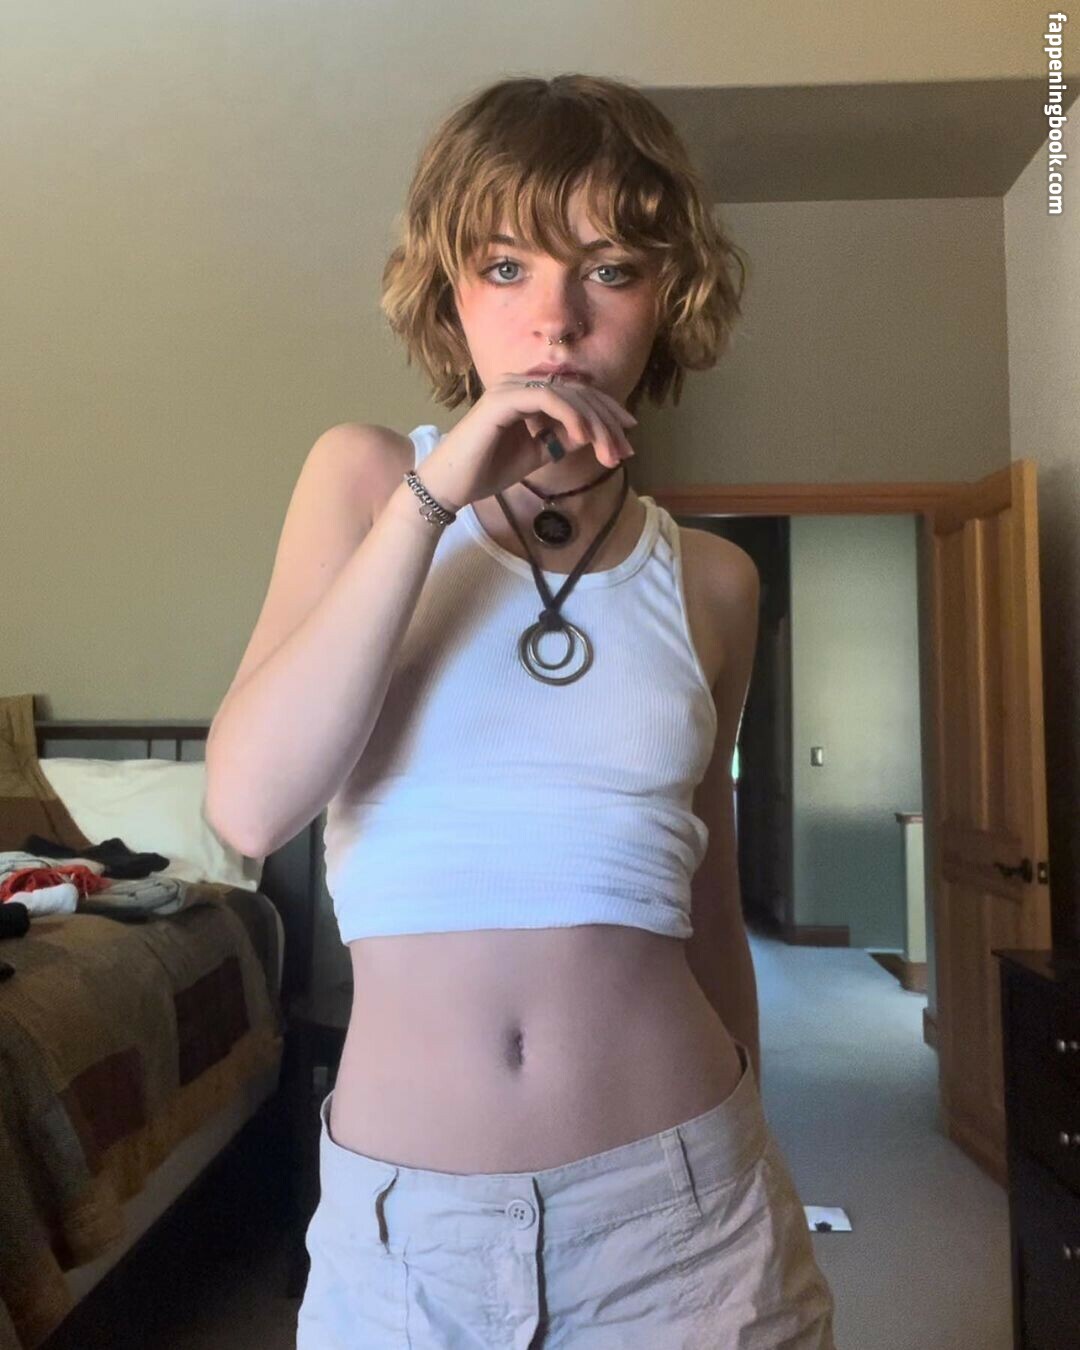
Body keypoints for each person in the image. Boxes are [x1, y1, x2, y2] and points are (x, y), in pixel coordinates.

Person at [208, 71, 836, 1349]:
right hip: (408, 1245)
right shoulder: (364, 482)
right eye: (506, 266)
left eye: (609, 269)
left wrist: (748, 1150)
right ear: (450, 293)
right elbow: (251, 808)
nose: (555, 319)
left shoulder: (714, 583)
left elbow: (709, 908)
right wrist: (437, 497)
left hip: (685, 1221)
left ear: (669, 297)